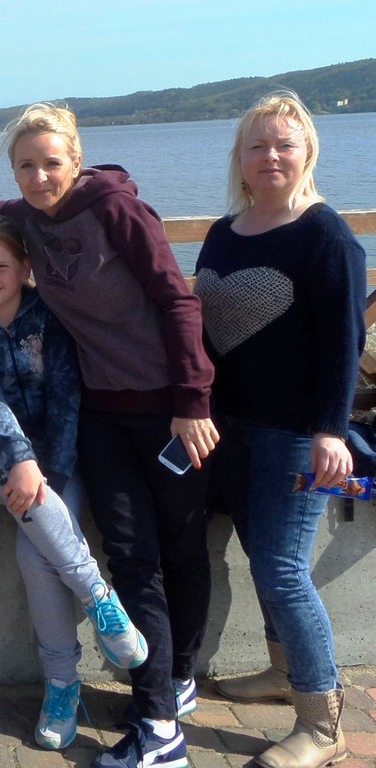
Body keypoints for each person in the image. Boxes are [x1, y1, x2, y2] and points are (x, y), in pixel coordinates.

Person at [0, 102, 219, 768]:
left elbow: (177, 299)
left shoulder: (117, 210)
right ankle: (157, 717)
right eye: (25, 165)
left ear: (77, 161)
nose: (39, 176)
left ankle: (177, 675)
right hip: (101, 412)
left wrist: (192, 398)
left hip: (167, 406)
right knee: (131, 554)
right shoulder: (28, 216)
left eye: (51, 163)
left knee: (182, 542)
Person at [193, 91, 366, 768]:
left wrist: (331, 431)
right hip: (231, 428)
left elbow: (344, 342)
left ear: (308, 153)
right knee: (260, 554)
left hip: (295, 433)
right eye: (257, 145)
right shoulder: (223, 231)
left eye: (285, 144)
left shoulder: (326, 236)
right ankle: (281, 671)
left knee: (283, 568)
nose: (270, 156)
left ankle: (322, 725)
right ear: (239, 157)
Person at [0, 213, 149, 750]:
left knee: (35, 555)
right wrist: (21, 460)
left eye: (1, 266)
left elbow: (66, 395)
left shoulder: (51, 316)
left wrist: (48, 472)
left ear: (24, 267)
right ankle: (97, 595)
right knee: (36, 517)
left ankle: (62, 683)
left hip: (58, 460)